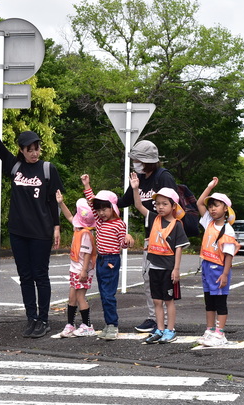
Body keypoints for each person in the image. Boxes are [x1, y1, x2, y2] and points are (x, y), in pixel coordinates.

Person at [0, 91, 65, 339]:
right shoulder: (15, 166)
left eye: (37, 148)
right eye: (29, 149)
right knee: (25, 276)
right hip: (18, 231)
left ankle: (44, 319)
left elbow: (55, 201)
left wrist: (56, 227)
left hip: (41, 232)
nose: (35, 152)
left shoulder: (47, 169)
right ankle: (31, 317)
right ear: (21, 150)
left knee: (40, 275)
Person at [118, 140, 178, 334]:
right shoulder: (140, 178)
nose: (135, 162)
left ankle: (166, 323)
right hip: (149, 239)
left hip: (165, 239)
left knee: (164, 281)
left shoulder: (163, 177)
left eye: (137, 159)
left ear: (148, 161)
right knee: (149, 279)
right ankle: (154, 319)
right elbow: (124, 201)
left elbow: (174, 207)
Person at [130, 175, 189, 344]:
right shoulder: (153, 218)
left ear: (173, 206)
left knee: (168, 301)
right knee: (157, 300)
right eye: (158, 204)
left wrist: (176, 269)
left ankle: (170, 330)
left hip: (168, 269)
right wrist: (135, 188)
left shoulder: (177, 225)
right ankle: (160, 329)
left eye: (165, 204)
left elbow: (179, 248)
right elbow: (138, 205)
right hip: (154, 266)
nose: (160, 207)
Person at [81, 174, 134, 340]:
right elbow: (91, 200)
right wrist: (87, 185)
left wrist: (127, 240)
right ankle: (108, 324)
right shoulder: (99, 221)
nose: (101, 212)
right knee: (103, 293)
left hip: (111, 260)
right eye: (99, 209)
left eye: (105, 208)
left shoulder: (119, 224)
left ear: (113, 208)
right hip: (101, 259)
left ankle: (113, 325)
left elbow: (122, 245)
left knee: (109, 294)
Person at [196, 177, 240, 347]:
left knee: (220, 301)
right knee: (209, 300)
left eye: (217, 205)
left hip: (219, 268)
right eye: (211, 206)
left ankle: (220, 332)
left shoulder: (227, 229)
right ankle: (209, 329)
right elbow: (200, 203)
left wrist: (225, 274)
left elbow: (229, 255)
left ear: (226, 209)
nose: (212, 209)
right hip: (207, 266)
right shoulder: (208, 222)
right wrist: (209, 187)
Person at [55, 191, 97, 337]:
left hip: (82, 271)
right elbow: (69, 217)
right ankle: (70, 324)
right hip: (75, 269)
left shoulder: (85, 234)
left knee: (80, 297)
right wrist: (61, 203)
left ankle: (87, 325)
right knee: (72, 297)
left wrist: (84, 271)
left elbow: (87, 254)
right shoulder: (78, 229)